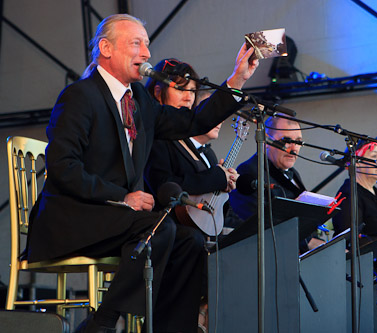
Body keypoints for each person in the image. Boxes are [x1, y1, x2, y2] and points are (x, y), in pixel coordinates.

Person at [26, 14, 258, 333]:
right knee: (158, 228)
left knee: (188, 240)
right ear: (106, 48)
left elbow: (193, 123)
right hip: (75, 219)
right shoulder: (80, 96)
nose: (147, 53)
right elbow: (63, 167)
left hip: (118, 221)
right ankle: (104, 321)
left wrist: (236, 81)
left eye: (147, 44)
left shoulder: (139, 102)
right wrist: (122, 197)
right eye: (137, 43)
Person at [144, 59, 237, 211]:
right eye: (181, 89)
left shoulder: (186, 140)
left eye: (193, 91)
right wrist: (216, 178)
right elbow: (164, 185)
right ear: (158, 92)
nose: (188, 97)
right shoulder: (153, 136)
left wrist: (223, 182)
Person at [228, 115, 323, 253]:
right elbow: (257, 224)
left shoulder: (293, 173)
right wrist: (308, 242)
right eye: (287, 140)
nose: (294, 148)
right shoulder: (250, 171)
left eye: (298, 142)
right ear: (266, 141)